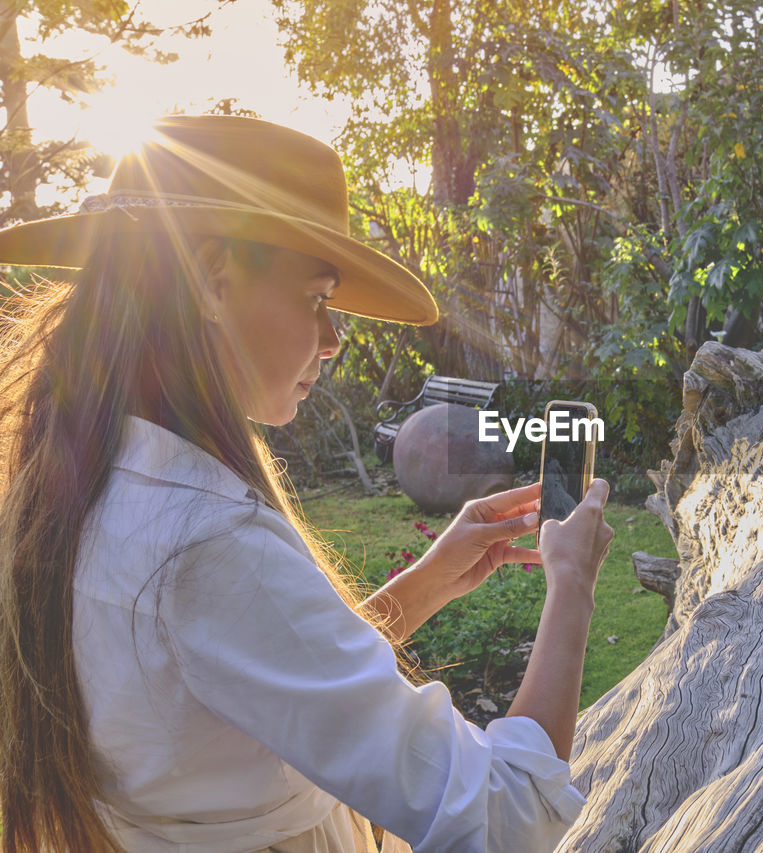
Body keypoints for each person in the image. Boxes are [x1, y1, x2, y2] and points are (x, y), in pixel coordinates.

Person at [0, 115, 613, 852]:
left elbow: (246, 673)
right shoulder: (207, 543)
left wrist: (428, 581)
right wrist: (571, 582)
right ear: (211, 281)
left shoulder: (90, 479)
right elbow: (508, 815)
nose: (334, 340)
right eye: (317, 299)